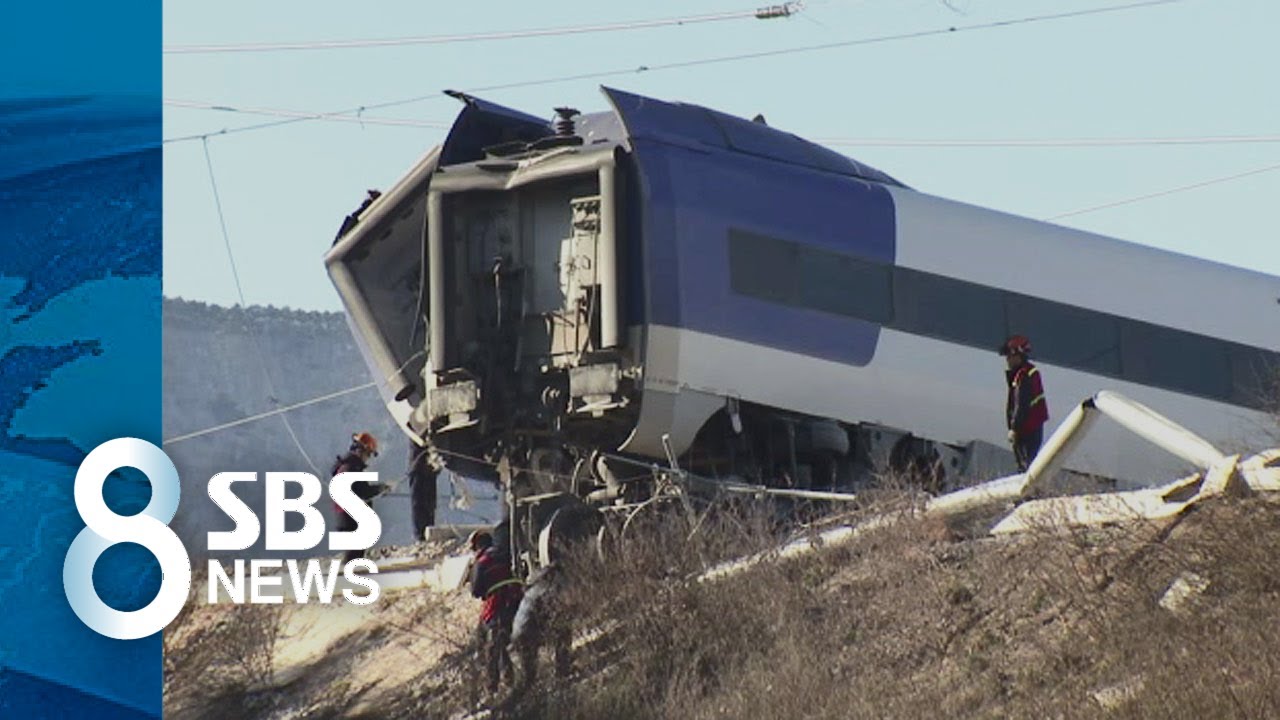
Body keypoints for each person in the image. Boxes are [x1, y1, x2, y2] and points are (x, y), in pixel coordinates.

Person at [468, 530, 524, 695]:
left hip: (495, 607)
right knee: (503, 645)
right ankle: (510, 679)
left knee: (491, 647)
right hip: (518, 603)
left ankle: (492, 687)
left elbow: (476, 591)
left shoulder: (482, 562)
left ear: (478, 546)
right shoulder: (509, 553)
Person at [510, 562, 571, 689]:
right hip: (529, 633)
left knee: (529, 675)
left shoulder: (533, 589)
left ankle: (525, 694)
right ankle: (562, 673)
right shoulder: (547, 590)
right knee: (564, 630)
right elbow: (554, 615)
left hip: (518, 633)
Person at [1000, 335, 1049, 471]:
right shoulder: (1026, 373)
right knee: (1027, 466)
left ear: (1018, 356)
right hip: (1030, 429)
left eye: (1009, 356)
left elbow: (1021, 405)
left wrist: (1014, 428)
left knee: (1025, 467)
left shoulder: (1023, 376)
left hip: (1026, 431)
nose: (1007, 360)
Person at [332, 431, 381, 562]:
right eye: (369, 454)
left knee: (355, 553)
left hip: (347, 518)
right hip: (350, 519)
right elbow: (362, 491)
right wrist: (381, 489)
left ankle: (348, 576)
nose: (368, 457)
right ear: (361, 451)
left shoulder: (349, 467)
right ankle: (345, 578)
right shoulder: (351, 468)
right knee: (354, 554)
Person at [408, 443, 439, 542]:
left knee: (428, 504)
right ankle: (421, 536)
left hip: (427, 469)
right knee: (420, 503)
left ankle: (425, 534)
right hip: (420, 469)